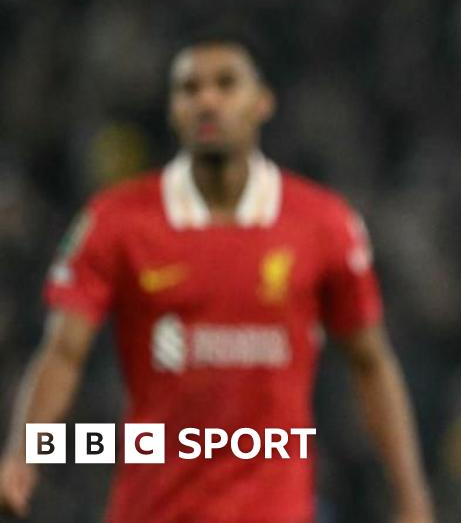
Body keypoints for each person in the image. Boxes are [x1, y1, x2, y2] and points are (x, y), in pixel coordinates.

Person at [0, 35, 435, 522]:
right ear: (172, 109)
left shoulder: (324, 225)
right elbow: (62, 351)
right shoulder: (116, 221)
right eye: (189, 88)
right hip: (151, 509)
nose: (207, 99)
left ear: (262, 102)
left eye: (226, 84)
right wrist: (23, 455)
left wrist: (411, 497)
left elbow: (370, 363)